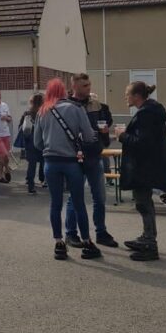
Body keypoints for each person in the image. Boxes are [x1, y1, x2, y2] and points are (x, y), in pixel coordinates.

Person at [34, 79, 99, 261]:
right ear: (64, 91)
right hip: (71, 161)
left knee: (55, 204)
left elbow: (37, 142)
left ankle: (59, 243)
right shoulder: (76, 109)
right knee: (78, 203)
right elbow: (88, 136)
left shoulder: (42, 111)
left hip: (50, 162)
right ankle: (86, 242)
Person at [116, 82, 166, 261]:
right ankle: (147, 236)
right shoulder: (152, 110)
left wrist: (122, 135)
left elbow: (142, 142)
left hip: (144, 167)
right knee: (143, 202)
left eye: (127, 93)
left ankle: (149, 243)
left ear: (137, 96)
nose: (125, 97)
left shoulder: (145, 114)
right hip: (149, 165)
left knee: (143, 203)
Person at [65, 74, 118, 249]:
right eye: (84, 85)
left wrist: (102, 139)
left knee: (99, 197)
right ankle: (71, 234)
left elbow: (106, 124)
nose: (88, 88)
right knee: (75, 197)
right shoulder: (66, 106)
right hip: (75, 158)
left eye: (89, 84)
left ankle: (101, 232)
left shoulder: (99, 106)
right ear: (75, 87)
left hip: (95, 156)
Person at [18, 94, 44, 195]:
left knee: (31, 165)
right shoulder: (43, 113)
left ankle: (31, 185)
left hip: (30, 142)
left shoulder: (27, 113)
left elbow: (21, 127)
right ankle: (44, 180)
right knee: (44, 161)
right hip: (41, 141)